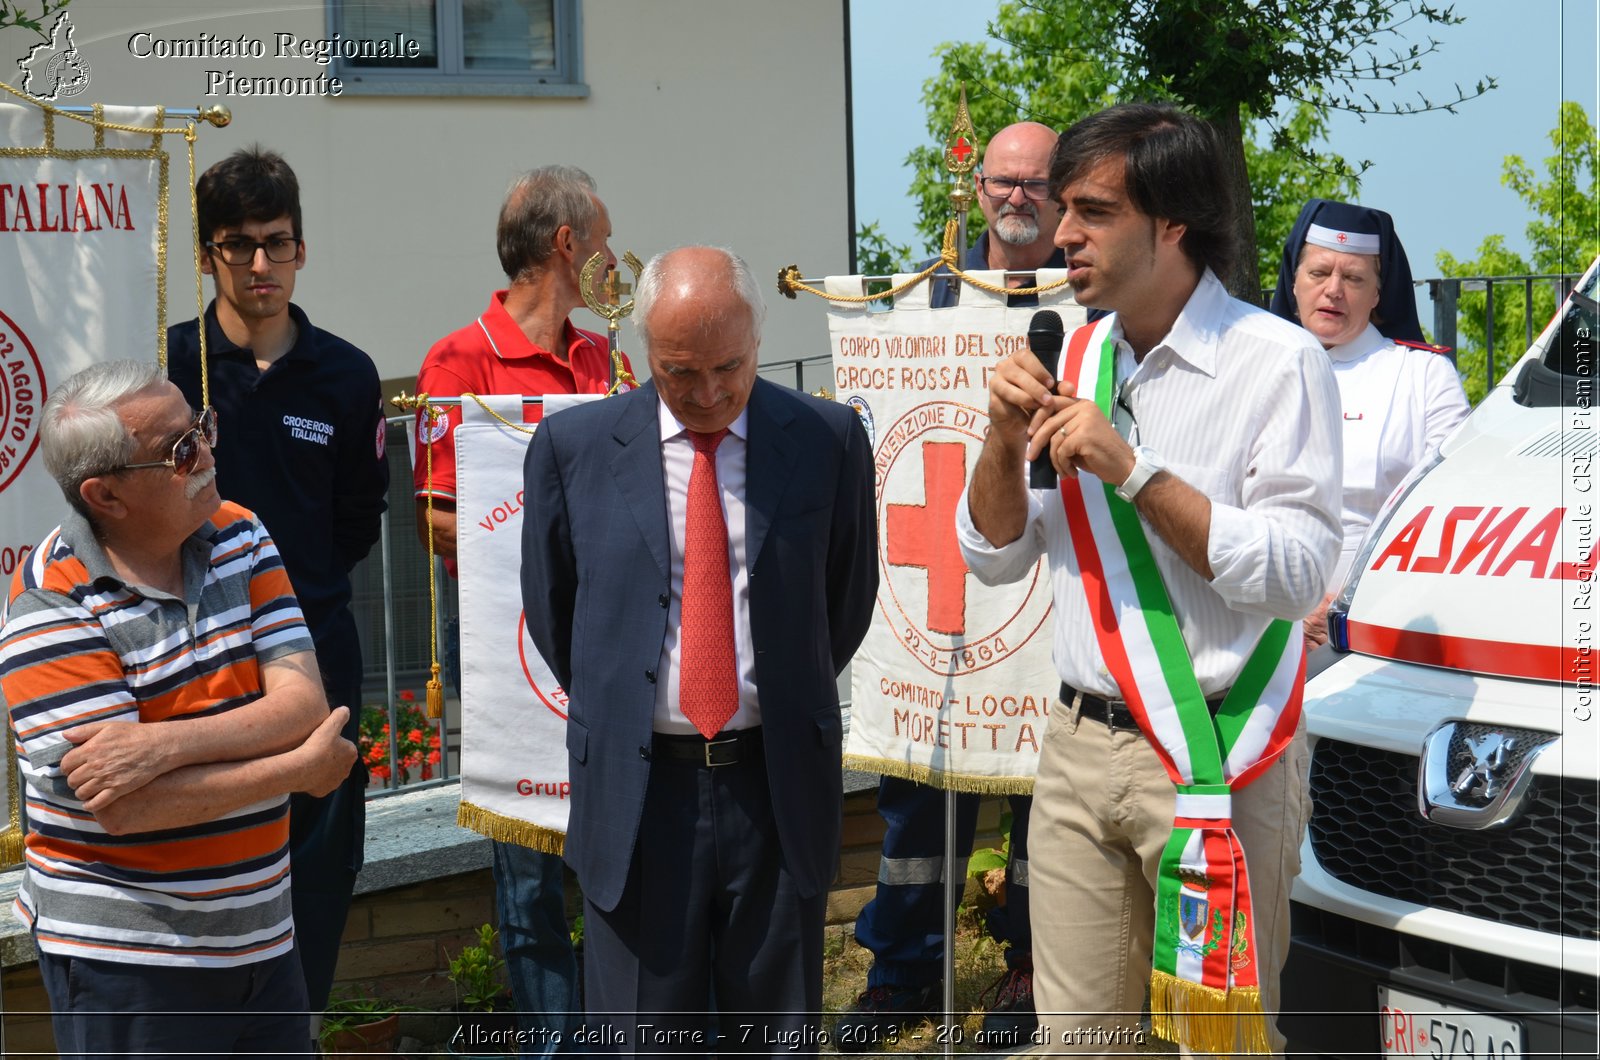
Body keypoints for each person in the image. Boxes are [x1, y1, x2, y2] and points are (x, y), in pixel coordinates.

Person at [961, 104, 1342, 1054]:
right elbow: (996, 552)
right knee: (1078, 1043)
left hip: (1221, 754)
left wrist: (1134, 472)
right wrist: (1002, 442)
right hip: (1078, 749)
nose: (1061, 235)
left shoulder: (1278, 358)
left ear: (1172, 223)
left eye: (1091, 211)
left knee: (1219, 1046)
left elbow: (1298, 577)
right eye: (1063, 208)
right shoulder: (1075, 354)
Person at [521, 246, 877, 1052]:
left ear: (758, 339)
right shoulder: (573, 451)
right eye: (680, 372)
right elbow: (558, 614)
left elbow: (843, 603)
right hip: (639, 798)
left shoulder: (826, 439)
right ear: (644, 350)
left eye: (729, 367)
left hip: (776, 787)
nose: (709, 394)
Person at [0, 360, 356, 1057]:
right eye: (179, 450)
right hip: (130, 962)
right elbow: (129, 809)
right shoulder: (50, 600)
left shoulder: (240, 534)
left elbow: (302, 702)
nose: (206, 453)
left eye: (201, 427)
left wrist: (159, 748)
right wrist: (298, 770)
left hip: (262, 938)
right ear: (105, 495)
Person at [841, 120, 1065, 1043]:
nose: (1016, 198)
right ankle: (902, 974)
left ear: (1062, 193)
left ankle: (1026, 970)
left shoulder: (1084, 298)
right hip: (936, 580)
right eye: (1001, 182)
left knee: (1037, 796)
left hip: (1044, 586)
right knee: (920, 798)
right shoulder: (927, 297)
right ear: (978, 191)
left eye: (1035, 184)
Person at [166, 146, 389, 1014]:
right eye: (240, 245)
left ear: (303, 248)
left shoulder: (347, 375)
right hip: (198, 659)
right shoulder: (171, 369)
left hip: (318, 652)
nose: (262, 265)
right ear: (206, 254)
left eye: (279, 243)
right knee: (209, 864)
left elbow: (355, 523)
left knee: (319, 868)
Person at [413, 164, 627, 1053]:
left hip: (608, 639)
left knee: (617, 836)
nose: (619, 255)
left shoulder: (604, 355)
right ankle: (555, 1040)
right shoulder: (455, 360)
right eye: (606, 236)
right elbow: (434, 519)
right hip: (505, 642)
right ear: (567, 243)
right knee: (528, 858)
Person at [1268, 198, 1470, 643]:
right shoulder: (1251, 369)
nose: (1334, 290)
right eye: (1319, 273)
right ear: (1294, 280)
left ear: (1378, 293)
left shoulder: (1422, 375)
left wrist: (1346, 600)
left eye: (1354, 278)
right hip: (1255, 615)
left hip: (1377, 617)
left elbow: (1450, 505)